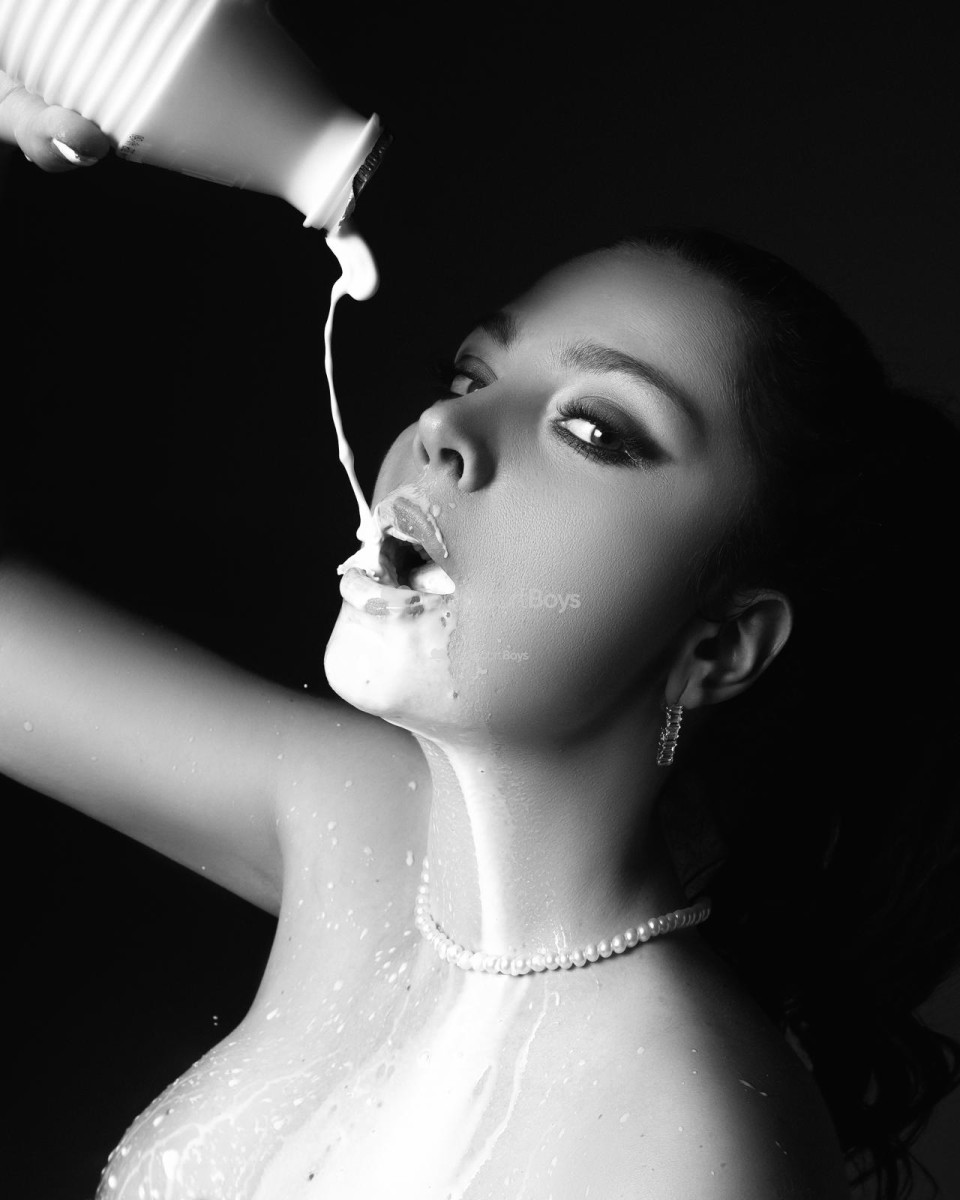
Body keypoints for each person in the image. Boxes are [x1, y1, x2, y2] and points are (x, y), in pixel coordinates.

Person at [1, 79, 958, 1200]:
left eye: (593, 429)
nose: (445, 426)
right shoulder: (359, 824)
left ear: (722, 646)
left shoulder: (693, 1147)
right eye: (472, 375)